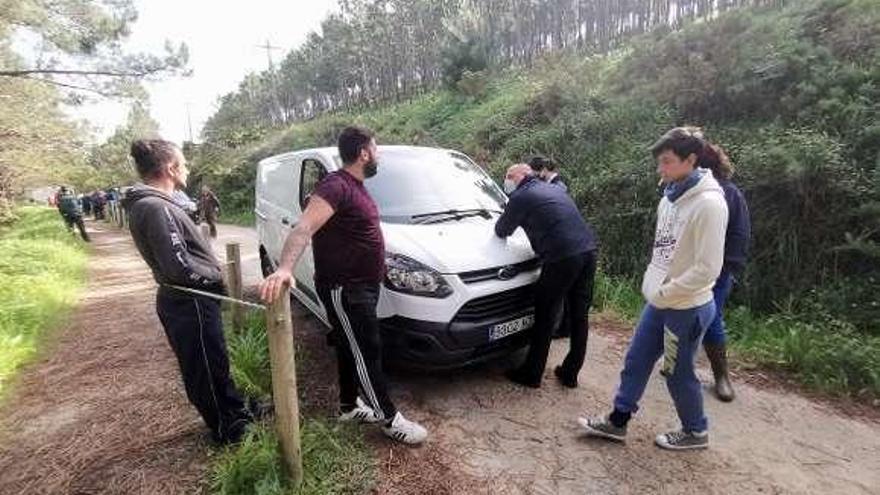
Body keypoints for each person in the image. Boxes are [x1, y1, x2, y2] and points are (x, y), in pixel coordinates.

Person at [260, 126, 428, 445]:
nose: (378, 155)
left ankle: (349, 406)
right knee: (366, 350)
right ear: (364, 152)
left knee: (349, 345)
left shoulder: (357, 186)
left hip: (362, 286)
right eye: (375, 149)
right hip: (344, 288)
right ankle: (389, 419)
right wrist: (283, 268)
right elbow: (303, 227)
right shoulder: (335, 185)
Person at [578, 127, 728, 451]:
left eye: (667, 162)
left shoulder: (710, 204)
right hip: (660, 300)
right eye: (659, 163)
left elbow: (708, 269)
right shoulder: (670, 196)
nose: (660, 170)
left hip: (687, 307)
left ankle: (696, 431)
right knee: (636, 358)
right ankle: (617, 422)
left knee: (676, 372)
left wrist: (668, 291)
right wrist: (653, 285)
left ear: (691, 160)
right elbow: (663, 249)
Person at [123, 139, 255, 445]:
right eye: (183, 163)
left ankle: (233, 411)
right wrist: (216, 279)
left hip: (187, 299)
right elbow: (180, 267)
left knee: (212, 361)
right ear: (170, 168)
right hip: (189, 299)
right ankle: (230, 429)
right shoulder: (156, 207)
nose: (187, 168)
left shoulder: (154, 204)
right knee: (205, 367)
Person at [495, 163, 598, 389]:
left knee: (545, 313)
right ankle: (570, 373)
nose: (507, 180)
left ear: (522, 176)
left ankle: (531, 374)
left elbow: (502, 230)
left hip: (561, 257)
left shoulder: (521, 196)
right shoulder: (552, 189)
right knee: (579, 316)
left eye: (509, 176)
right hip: (588, 251)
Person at [698, 143, 750, 402]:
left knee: (711, 318)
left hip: (718, 272)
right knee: (679, 314)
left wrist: (727, 268)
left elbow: (739, 234)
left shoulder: (730, 194)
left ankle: (722, 377)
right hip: (690, 268)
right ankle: (676, 362)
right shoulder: (689, 192)